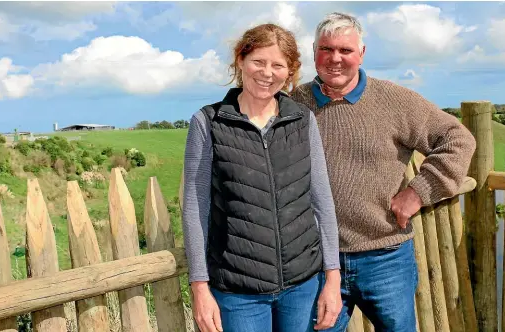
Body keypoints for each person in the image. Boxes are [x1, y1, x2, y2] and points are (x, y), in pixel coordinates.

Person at [290, 12, 477, 332]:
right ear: (314, 51)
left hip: (386, 258)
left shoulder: (395, 100)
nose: (335, 58)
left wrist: (419, 192)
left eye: (345, 50)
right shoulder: (293, 104)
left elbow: (458, 138)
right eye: (326, 49)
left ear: (361, 54)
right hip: (317, 262)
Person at [182, 23, 343, 332]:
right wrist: (200, 288)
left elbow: (321, 202)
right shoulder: (208, 122)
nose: (267, 72)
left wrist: (332, 278)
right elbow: (194, 211)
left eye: (278, 65)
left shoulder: (302, 120)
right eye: (258, 61)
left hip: (302, 285)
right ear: (241, 61)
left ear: (290, 72)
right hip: (238, 291)